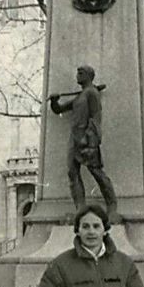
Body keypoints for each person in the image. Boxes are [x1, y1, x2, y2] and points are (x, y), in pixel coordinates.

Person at [49, 65, 118, 218]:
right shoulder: (81, 96)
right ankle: (80, 208)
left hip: (86, 139)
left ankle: (112, 205)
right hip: (74, 139)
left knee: (97, 172)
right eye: (77, 72)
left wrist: (91, 141)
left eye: (81, 73)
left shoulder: (92, 93)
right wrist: (54, 101)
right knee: (72, 173)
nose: (77, 75)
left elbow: (96, 118)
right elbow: (59, 109)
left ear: (89, 75)